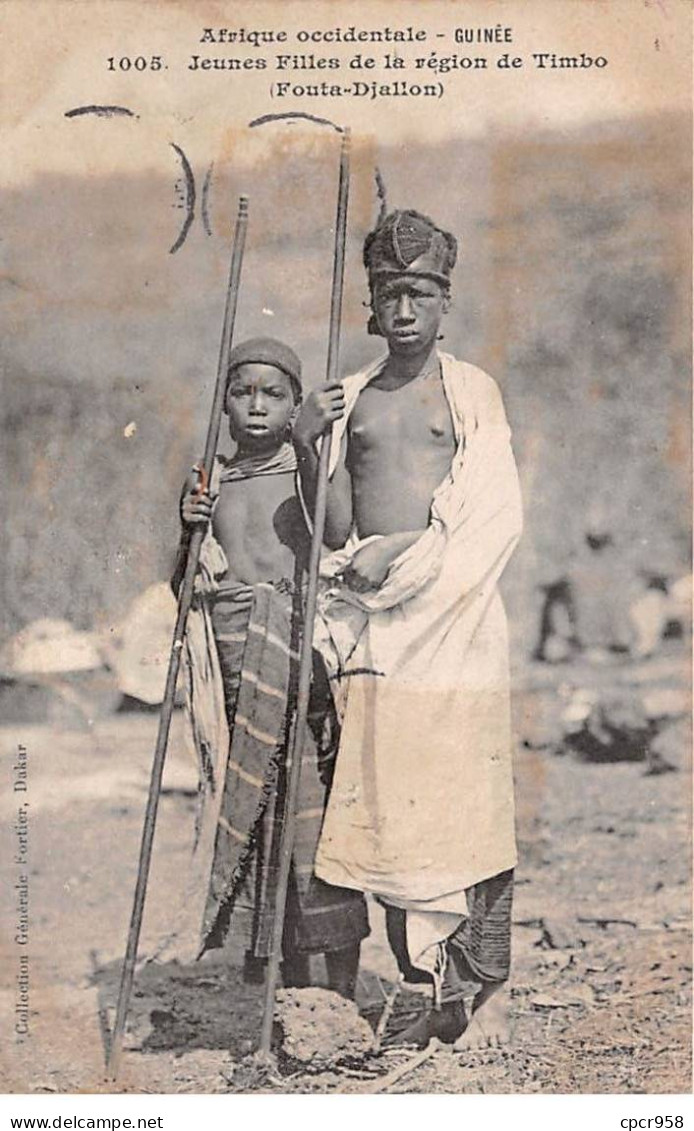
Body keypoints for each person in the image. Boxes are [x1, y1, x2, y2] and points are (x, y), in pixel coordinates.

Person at [293, 211, 523, 1046]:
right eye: (390, 294)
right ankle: (427, 983)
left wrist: (410, 553)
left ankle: (478, 988)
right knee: (391, 798)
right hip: (378, 629)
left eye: (419, 293)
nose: (404, 310)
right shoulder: (350, 399)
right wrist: (310, 447)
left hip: (453, 617)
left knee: (464, 794)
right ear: (371, 304)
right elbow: (333, 528)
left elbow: (492, 512)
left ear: (444, 301)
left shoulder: (470, 391)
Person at [173, 336, 368, 999]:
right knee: (259, 820)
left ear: (295, 405)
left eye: (273, 393)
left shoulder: (311, 461)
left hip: (300, 661)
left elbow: (334, 532)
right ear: (224, 402)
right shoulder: (211, 481)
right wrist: (187, 530)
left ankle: (339, 989)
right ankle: (281, 984)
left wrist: (314, 447)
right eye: (242, 391)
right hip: (238, 669)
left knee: (318, 818)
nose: (256, 406)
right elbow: (187, 591)